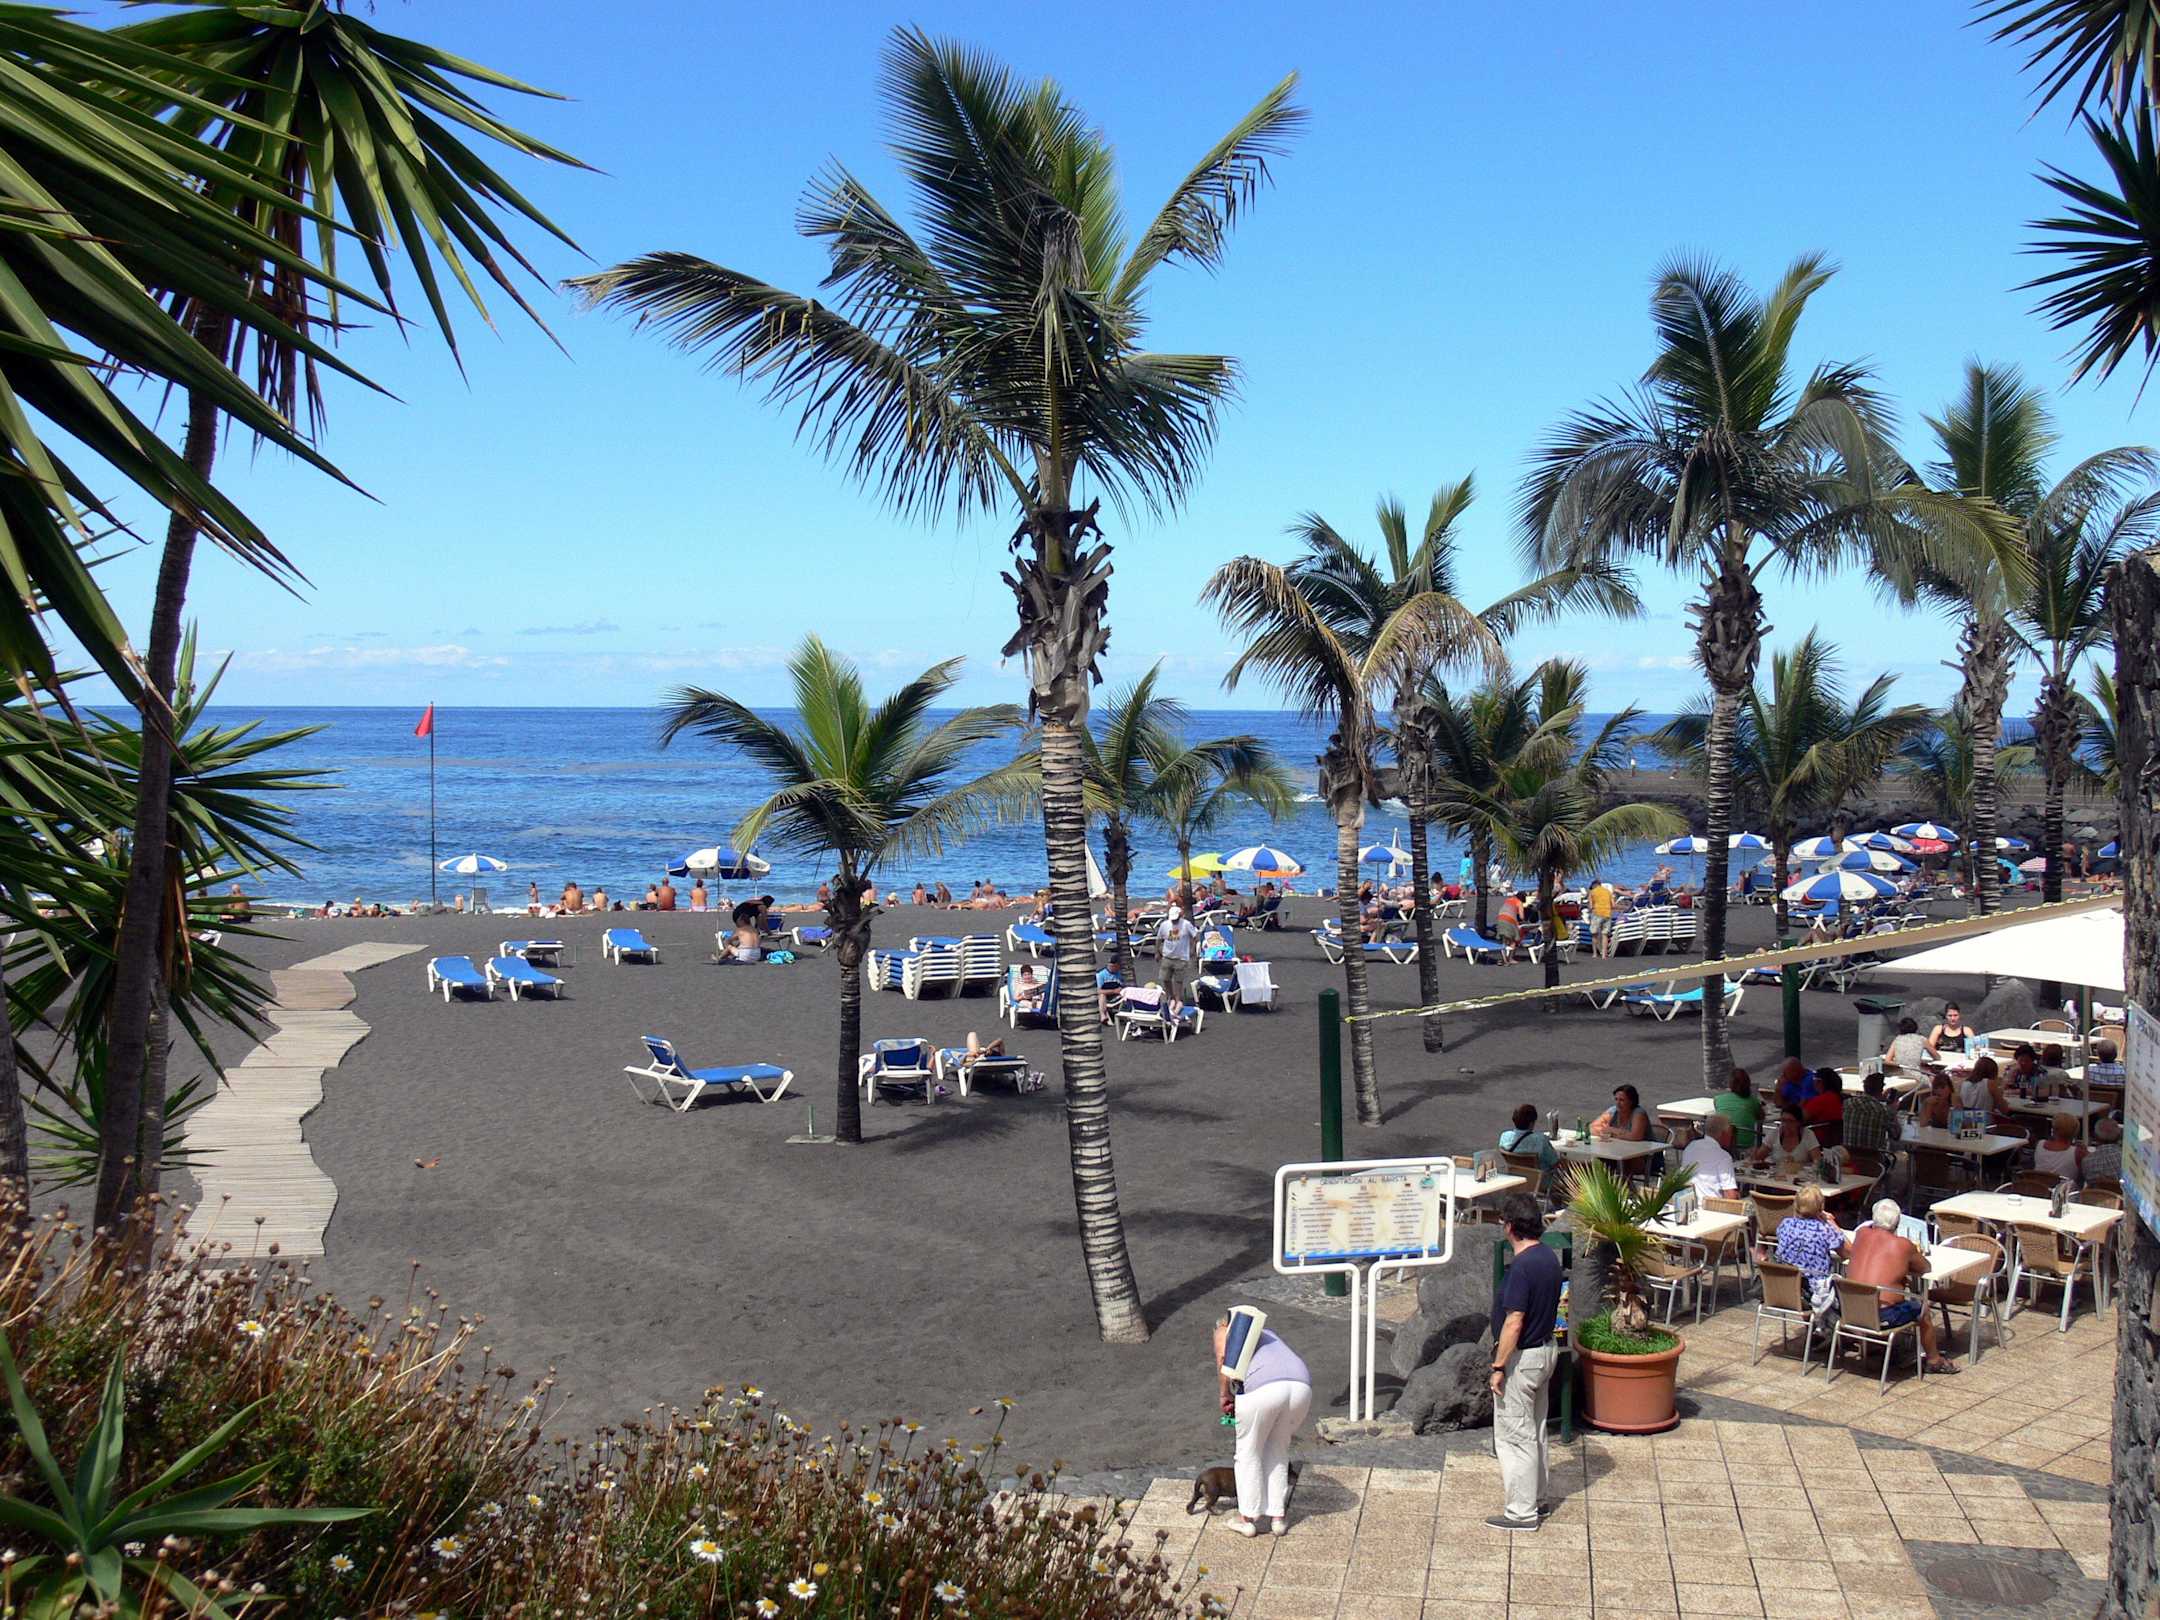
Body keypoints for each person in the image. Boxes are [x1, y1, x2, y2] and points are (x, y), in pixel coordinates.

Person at [1487, 1194, 1564, 1531]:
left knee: (1515, 1436)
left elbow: (1514, 1321)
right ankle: (1539, 1498)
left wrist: (1498, 1366)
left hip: (1523, 1359)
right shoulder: (1548, 1257)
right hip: (1546, 1351)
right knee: (1536, 1428)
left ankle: (1521, 1512)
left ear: (1510, 1227)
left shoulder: (1521, 1267)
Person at [1212, 1313, 1311, 1537]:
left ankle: (1246, 1519)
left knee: (1248, 1453)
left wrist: (1224, 1394)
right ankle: (1278, 1518)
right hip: (1301, 1388)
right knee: (1277, 1450)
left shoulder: (1224, 1330)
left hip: (1264, 1389)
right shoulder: (1268, 1333)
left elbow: (1223, 1358)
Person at [1846, 1199, 1957, 1374]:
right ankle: (1934, 1360)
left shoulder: (1861, 1234)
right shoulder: (1903, 1245)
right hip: (1882, 1316)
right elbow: (1925, 1268)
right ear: (1897, 1223)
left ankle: (1875, 1346)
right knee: (1922, 1309)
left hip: (1849, 1310)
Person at [1772, 1184, 1850, 1305]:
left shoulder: (1785, 1225)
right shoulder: (1824, 1230)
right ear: (1821, 1207)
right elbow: (1849, 1253)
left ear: (1796, 1205)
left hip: (1783, 1287)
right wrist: (1831, 1222)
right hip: (1814, 1292)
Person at [1843, 1072, 1899, 1158]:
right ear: (1881, 1089)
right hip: (1874, 1161)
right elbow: (1896, 1135)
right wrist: (1893, 1112)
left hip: (1849, 1158)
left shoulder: (1847, 1104)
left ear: (1864, 1087)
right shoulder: (1884, 1111)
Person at [1680, 1115, 1739, 1196]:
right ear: (1724, 1134)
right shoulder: (1723, 1156)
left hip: (1688, 1199)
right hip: (1711, 1202)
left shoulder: (1690, 1146)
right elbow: (1730, 1195)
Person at [1753, 1113, 1820, 1179]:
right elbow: (1758, 1157)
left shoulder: (1808, 1134)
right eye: (1783, 1120)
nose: (1786, 1124)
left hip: (1801, 1178)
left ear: (1798, 1123)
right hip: (1776, 1178)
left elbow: (1817, 1161)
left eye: (1790, 1121)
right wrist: (1755, 1153)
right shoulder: (1775, 1133)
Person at [1499, 1103, 1560, 1174]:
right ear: (1531, 1123)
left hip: (1516, 1176)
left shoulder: (1504, 1137)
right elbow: (1555, 1162)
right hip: (1540, 1178)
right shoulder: (1541, 1140)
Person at [1156, 905, 1199, 1005]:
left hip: (1181, 957)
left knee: (1178, 981)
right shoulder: (1164, 925)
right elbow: (1159, 939)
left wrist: (1192, 950)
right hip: (1167, 956)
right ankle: (1170, 996)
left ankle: (1177, 999)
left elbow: (1195, 936)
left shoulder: (1186, 924)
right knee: (1165, 978)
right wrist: (1157, 952)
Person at [1715, 1068, 1763, 1151]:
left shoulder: (1718, 1099)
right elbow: (1761, 1118)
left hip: (1723, 1144)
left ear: (1730, 1084)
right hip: (1745, 1144)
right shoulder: (1753, 1101)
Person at [2033, 1113, 2086, 1185]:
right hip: (2063, 1190)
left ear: (2054, 1129)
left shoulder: (2040, 1144)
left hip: (2038, 1187)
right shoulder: (2078, 1153)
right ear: (2075, 1132)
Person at [1802, 1067, 1846, 1147]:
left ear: (1820, 1082)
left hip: (1815, 1141)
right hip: (1835, 1142)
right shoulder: (1841, 1098)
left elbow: (1798, 1119)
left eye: (1814, 1080)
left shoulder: (1821, 1101)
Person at [1586, 877, 1616, 958]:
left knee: (1594, 934)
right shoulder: (1608, 892)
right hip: (1607, 914)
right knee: (1605, 934)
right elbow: (1613, 905)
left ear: (1594, 885)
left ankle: (1595, 953)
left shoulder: (1592, 892)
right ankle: (1604, 955)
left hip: (1597, 913)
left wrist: (1589, 911)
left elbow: (1591, 906)